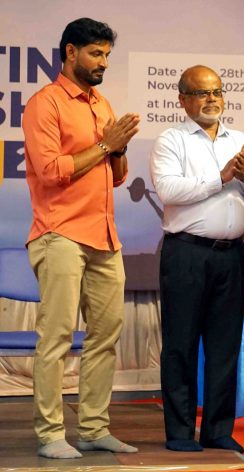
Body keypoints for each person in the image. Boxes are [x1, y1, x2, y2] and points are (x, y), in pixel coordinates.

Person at [21, 17, 140, 459]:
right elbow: (52, 171)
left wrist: (119, 148)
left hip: (104, 237)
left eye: (107, 54)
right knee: (55, 337)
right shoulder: (44, 103)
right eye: (95, 53)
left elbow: (117, 177)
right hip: (59, 234)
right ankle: (51, 434)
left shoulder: (102, 104)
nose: (103, 62)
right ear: (70, 52)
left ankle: (92, 428)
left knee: (105, 336)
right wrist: (106, 145)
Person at [149, 65, 244, 453]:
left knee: (224, 346)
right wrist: (221, 177)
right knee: (180, 345)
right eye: (202, 93)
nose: (212, 99)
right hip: (186, 253)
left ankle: (218, 430)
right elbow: (169, 190)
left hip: (231, 256)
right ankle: (180, 432)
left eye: (217, 91)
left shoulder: (241, 140)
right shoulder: (171, 140)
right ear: (183, 99)